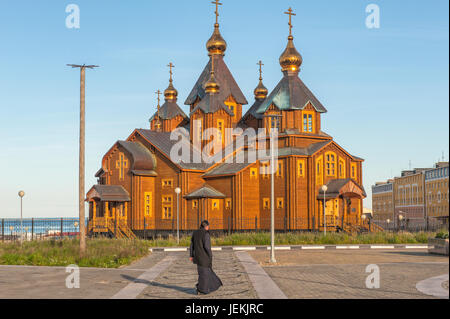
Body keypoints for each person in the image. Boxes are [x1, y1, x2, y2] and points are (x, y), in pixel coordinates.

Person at [189, 220, 223, 295]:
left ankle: (201, 288)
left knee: (202, 273)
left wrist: (191, 255)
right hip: (205, 258)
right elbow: (207, 247)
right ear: (206, 226)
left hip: (197, 258)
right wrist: (210, 256)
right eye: (208, 227)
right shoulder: (206, 234)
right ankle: (202, 290)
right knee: (205, 274)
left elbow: (192, 245)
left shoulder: (195, 233)